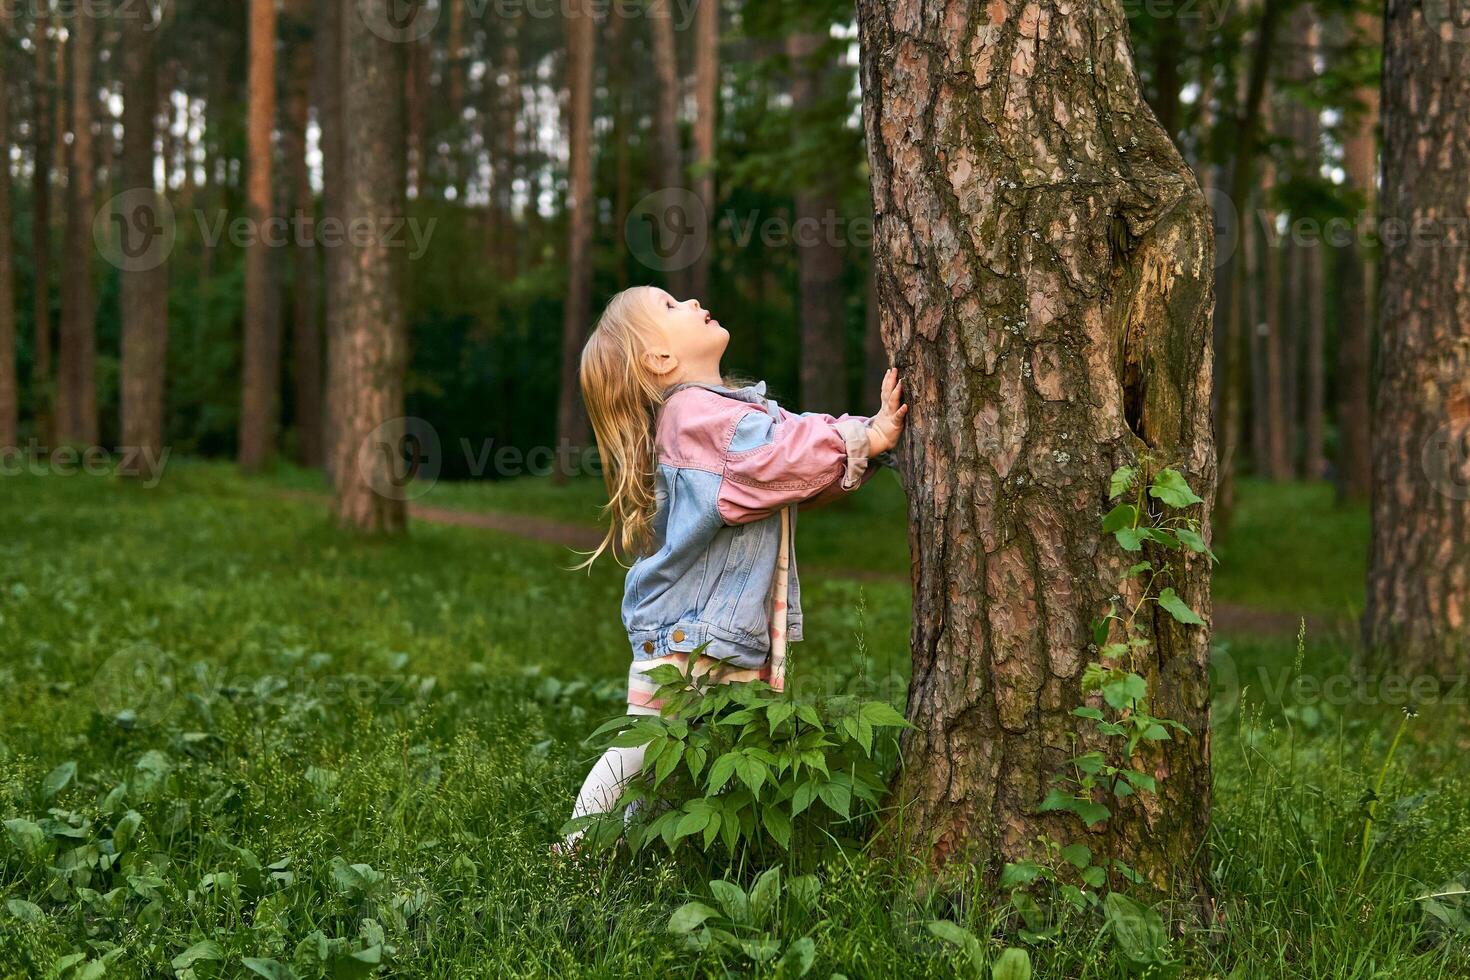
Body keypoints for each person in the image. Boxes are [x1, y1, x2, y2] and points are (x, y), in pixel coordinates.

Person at [553, 286, 908, 855]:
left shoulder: (720, 411)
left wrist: (868, 438)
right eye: (671, 308)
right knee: (643, 752)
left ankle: (661, 856)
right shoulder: (697, 416)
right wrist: (867, 435)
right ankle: (572, 857)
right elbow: (781, 457)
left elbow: (792, 470)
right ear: (660, 360)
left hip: (708, 632)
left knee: (681, 759)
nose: (692, 303)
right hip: (688, 638)